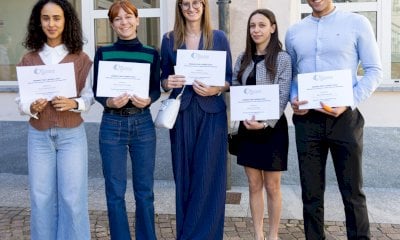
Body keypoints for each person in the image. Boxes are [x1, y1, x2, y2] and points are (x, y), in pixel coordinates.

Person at [285, 0, 382, 239]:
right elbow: (293, 75)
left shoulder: (357, 23)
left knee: (352, 192)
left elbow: (374, 70)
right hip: (308, 121)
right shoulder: (294, 31)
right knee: (311, 193)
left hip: (345, 119)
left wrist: (349, 101)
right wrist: (294, 98)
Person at [16, 0, 94, 239]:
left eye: (57, 18)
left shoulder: (80, 58)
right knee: (41, 197)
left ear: (66, 21)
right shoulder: (29, 59)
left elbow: (88, 97)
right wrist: (31, 106)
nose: (51, 23)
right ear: (38, 22)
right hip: (39, 136)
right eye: (46, 18)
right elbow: (21, 100)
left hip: (72, 136)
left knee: (73, 197)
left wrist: (74, 104)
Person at [160, 0, 232, 239]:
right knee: (184, 175)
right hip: (182, 113)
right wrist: (166, 82)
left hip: (212, 113)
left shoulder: (218, 37)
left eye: (196, 3)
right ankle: (186, 233)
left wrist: (216, 89)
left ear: (204, 6)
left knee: (210, 177)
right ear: (180, 8)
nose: (191, 8)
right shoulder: (169, 39)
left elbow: (229, 78)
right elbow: (162, 78)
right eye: (185, 4)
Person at [92, 1, 160, 239]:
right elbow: (98, 91)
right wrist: (109, 102)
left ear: (138, 20)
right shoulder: (103, 52)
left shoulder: (151, 53)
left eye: (128, 16)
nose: (124, 22)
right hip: (112, 124)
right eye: (118, 18)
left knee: (145, 192)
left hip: (142, 122)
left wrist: (149, 100)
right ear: (112, 24)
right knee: (115, 192)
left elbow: (155, 89)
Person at [232, 9, 291, 240]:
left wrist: (266, 122)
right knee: (253, 184)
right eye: (252, 26)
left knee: (272, 186)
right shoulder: (243, 57)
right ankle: (258, 235)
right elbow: (235, 82)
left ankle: (273, 235)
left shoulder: (283, 58)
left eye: (262, 25)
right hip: (247, 128)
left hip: (273, 130)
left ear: (273, 28)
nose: (256, 30)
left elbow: (283, 93)